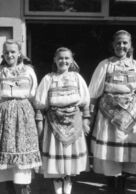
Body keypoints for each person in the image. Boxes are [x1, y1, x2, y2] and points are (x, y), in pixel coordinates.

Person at [0, 39, 42, 194]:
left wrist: (37, 116)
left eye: (13, 52)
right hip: (3, 114)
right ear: (3, 54)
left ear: (19, 53)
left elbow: (34, 94)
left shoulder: (28, 71)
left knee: (23, 148)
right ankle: (10, 189)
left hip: (24, 113)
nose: (10, 55)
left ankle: (25, 188)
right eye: (7, 52)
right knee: (6, 150)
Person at [34, 47, 90, 194]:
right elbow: (40, 105)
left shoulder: (77, 78)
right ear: (55, 60)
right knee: (56, 165)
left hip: (74, 124)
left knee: (69, 165)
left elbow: (85, 103)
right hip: (54, 125)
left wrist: (85, 121)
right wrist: (40, 126)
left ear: (71, 60)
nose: (63, 61)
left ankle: (68, 190)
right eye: (60, 58)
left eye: (66, 58)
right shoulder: (48, 79)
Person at [89, 30, 136, 194]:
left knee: (126, 152)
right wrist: (89, 116)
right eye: (118, 43)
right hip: (109, 115)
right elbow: (93, 93)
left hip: (131, 115)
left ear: (130, 45)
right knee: (111, 154)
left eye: (125, 43)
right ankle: (112, 186)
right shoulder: (105, 65)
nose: (121, 46)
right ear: (113, 45)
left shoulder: (135, 65)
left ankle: (122, 185)